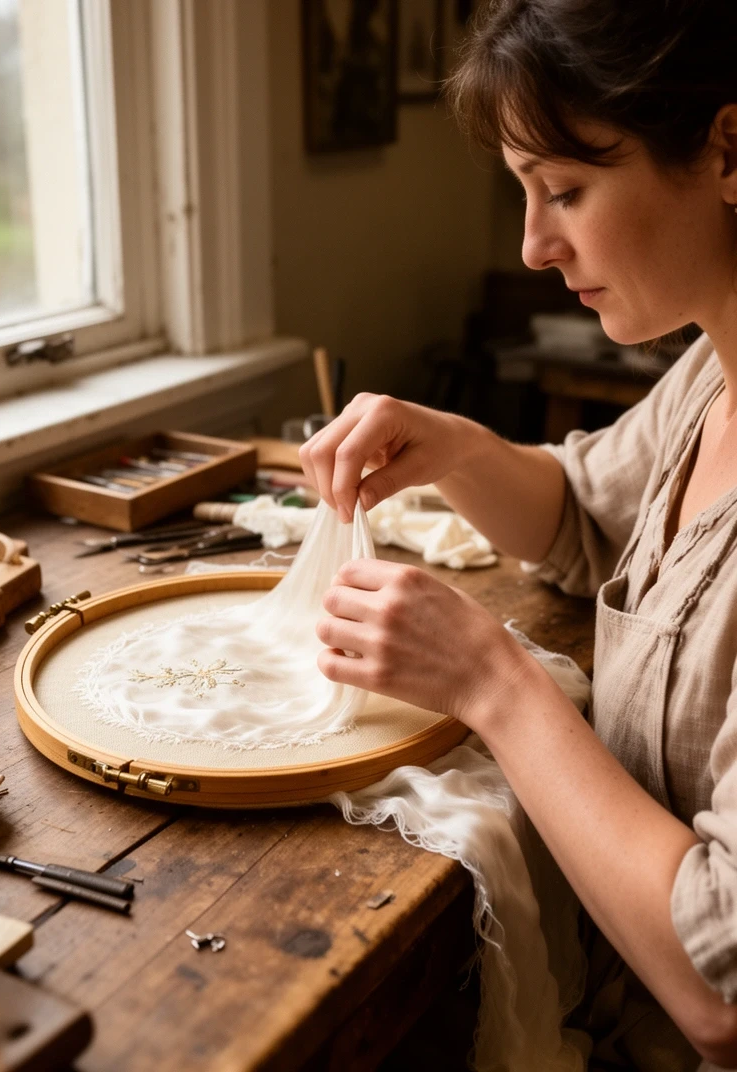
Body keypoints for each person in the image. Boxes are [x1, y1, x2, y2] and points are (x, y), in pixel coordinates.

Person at [299, 1, 737, 1068]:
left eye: (565, 191)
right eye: (524, 195)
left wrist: (492, 683)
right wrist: (449, 445)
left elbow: (719, 977)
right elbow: (585, 515)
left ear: (727, 150)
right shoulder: (708, 374)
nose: (535, 246)